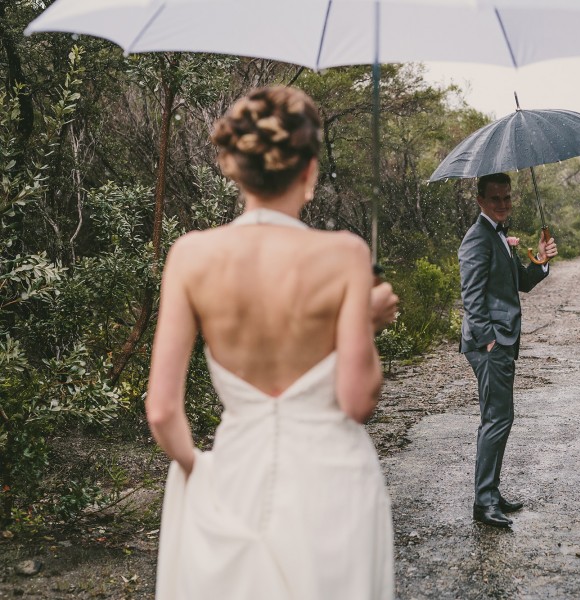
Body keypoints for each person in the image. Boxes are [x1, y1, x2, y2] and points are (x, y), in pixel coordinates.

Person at [146, 86, 398, 599]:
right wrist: (365, 327)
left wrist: (199, 471)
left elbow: (161, 412)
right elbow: (357, 401)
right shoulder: (346, 254)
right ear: (309, 170)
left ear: (233, 167)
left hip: (236, 476)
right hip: (334, 486)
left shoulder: (190, 256)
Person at [458, 172, 558, 528]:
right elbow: (470, 296)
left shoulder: (499, 237)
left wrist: (541, 260)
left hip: (499, 340)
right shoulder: (477, 239)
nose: (502, 204)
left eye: (506, 198)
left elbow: (522, 283)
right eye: (495, 198)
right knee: (497, 419)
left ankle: (491, 492)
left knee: (500, 418)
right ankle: (484, 503)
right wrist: (489, 339)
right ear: (480, 200)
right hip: (490, 343)